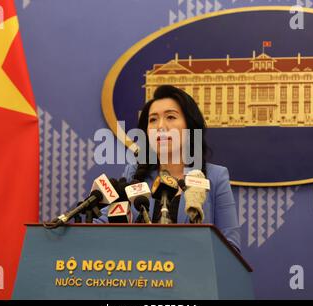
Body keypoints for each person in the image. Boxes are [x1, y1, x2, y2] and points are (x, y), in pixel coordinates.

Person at [100, 85, 240, 252]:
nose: (161, 126)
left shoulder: (215, 177)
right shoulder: (133, 174)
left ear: (190, 127)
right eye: (153, 120)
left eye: (171, 117)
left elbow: (231, 248)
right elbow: (103, 225)